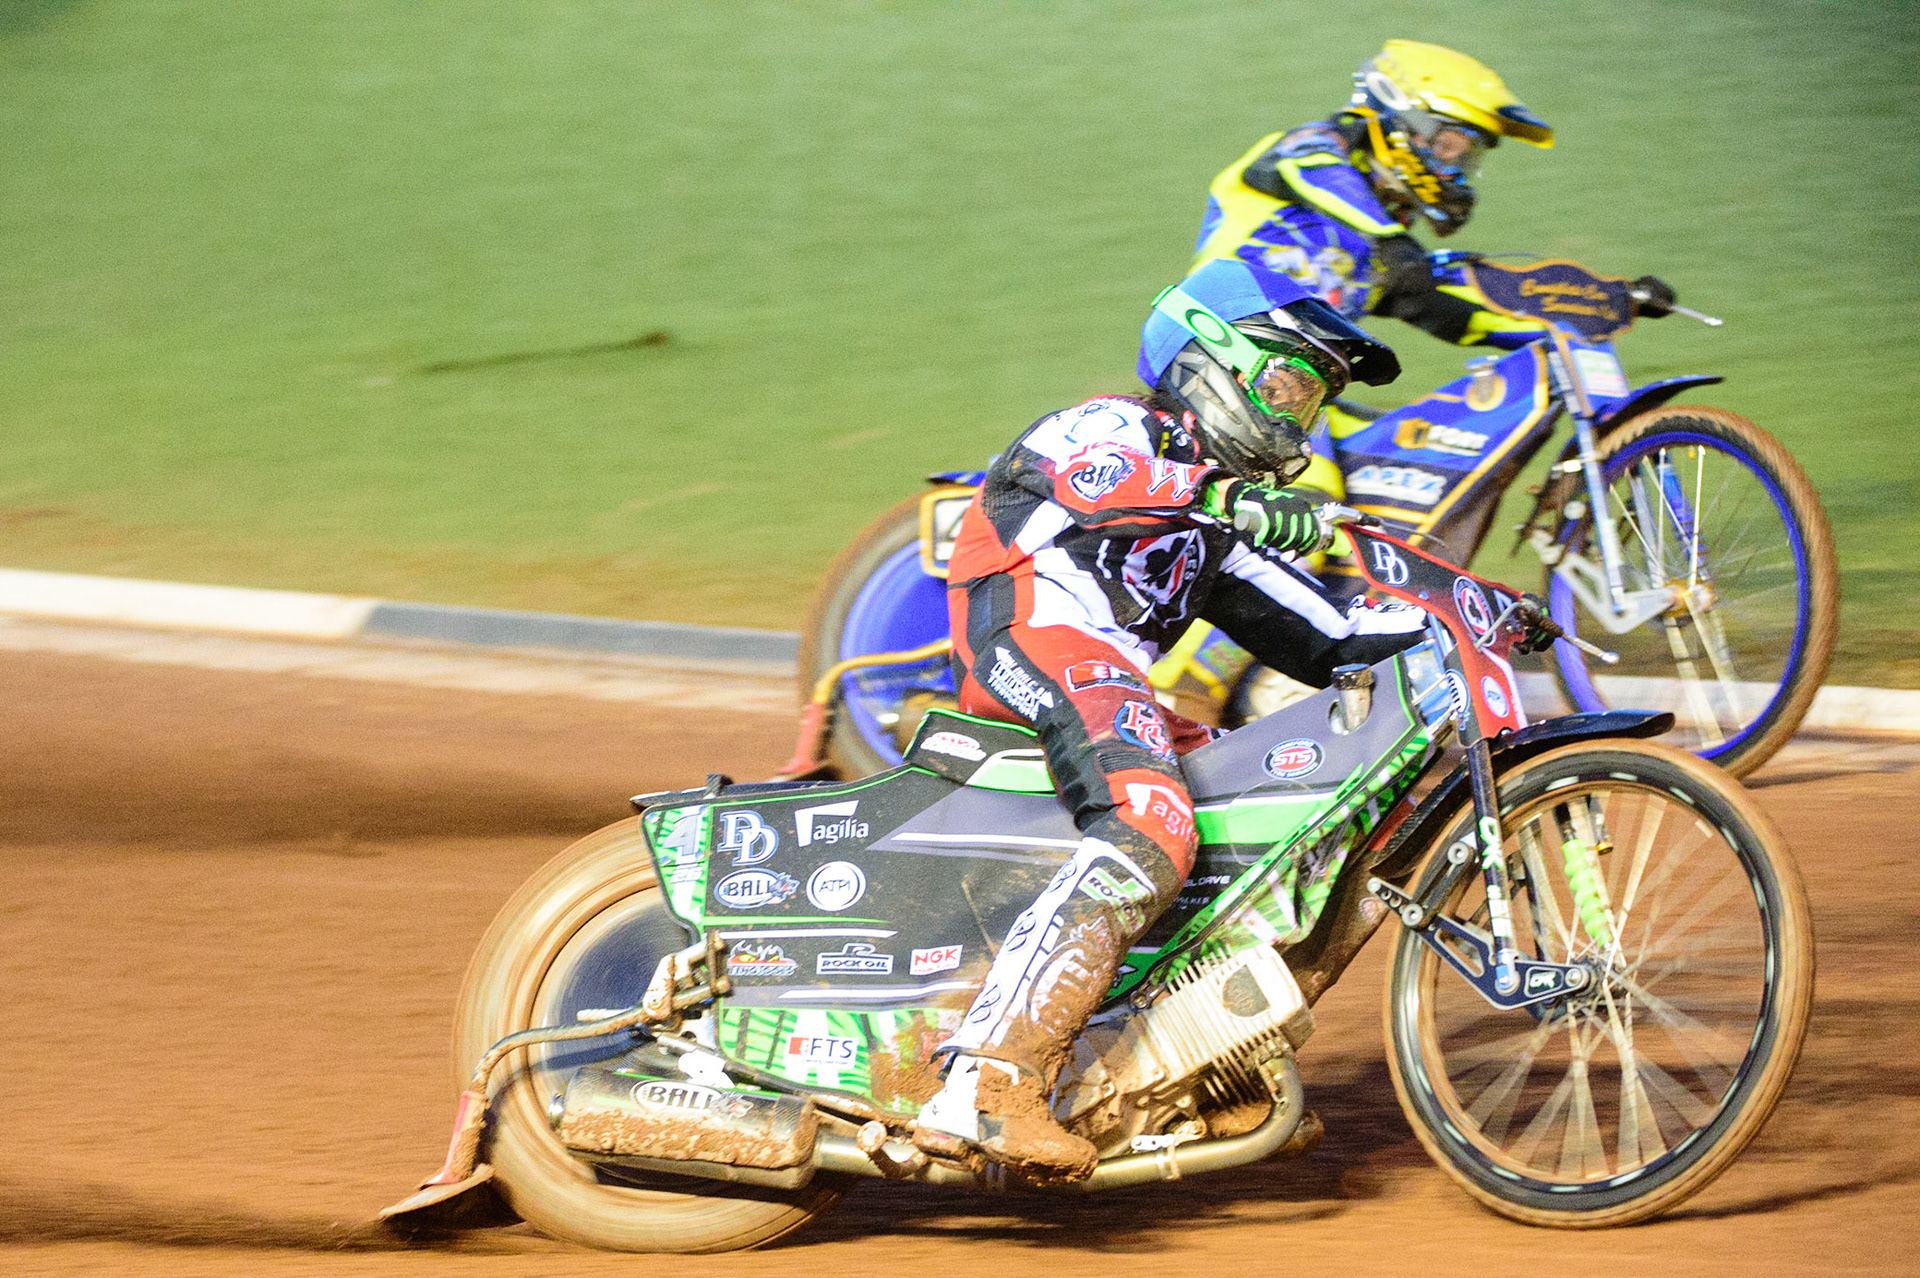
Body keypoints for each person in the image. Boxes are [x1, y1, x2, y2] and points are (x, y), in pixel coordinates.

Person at [910, 258, 1430, 1181]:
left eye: (1312, 403)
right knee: (1152, 817)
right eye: (1284, 385)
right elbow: (1103, 480)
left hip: (1115, 677)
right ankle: (986, 1082)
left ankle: (1177, 1064)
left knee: (1271, 811)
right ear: (1209, 363)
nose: (1295, 417)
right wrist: (1235, 501)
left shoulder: (1221, 528)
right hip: (1032, 628)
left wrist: (1463, 628)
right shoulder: (1113, 427)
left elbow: (1327, 639)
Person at [1191, 40, 1674, 501]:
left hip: (1301, 396)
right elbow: (1315, 169)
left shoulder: (1377, 243)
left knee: (1403, 475)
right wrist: (1392, 241)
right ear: (1404, 120)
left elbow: (1458, 308)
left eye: (1470, 156)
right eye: (1450, 146)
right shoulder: (1307, 151)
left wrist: (1594, 307)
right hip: (1219, 374)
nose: (1459, 166)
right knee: (1314, 506)